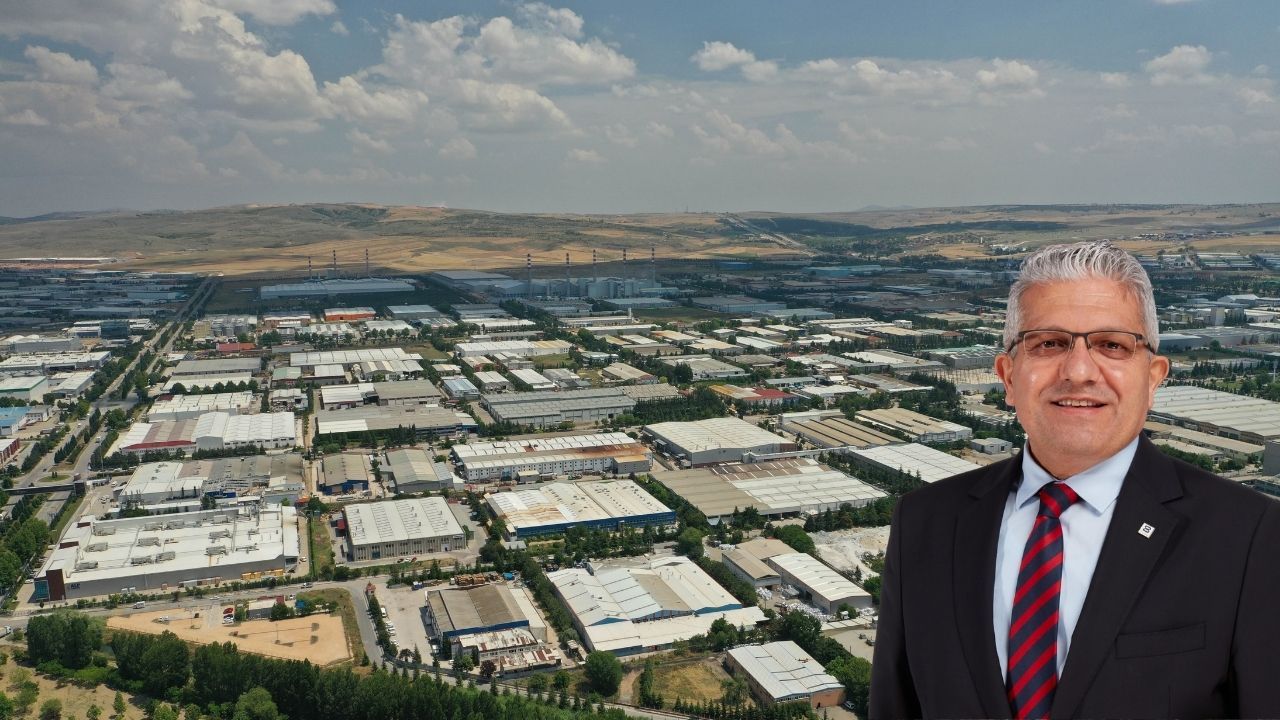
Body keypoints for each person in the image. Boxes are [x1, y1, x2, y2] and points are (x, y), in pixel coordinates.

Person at [869, 241, 1280, 719]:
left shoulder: (1249, 535)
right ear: (1007, 376)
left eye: (1112, 345)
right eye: (1049, 343)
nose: (1079, 371)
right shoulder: (923, 524)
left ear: (1153, 378)